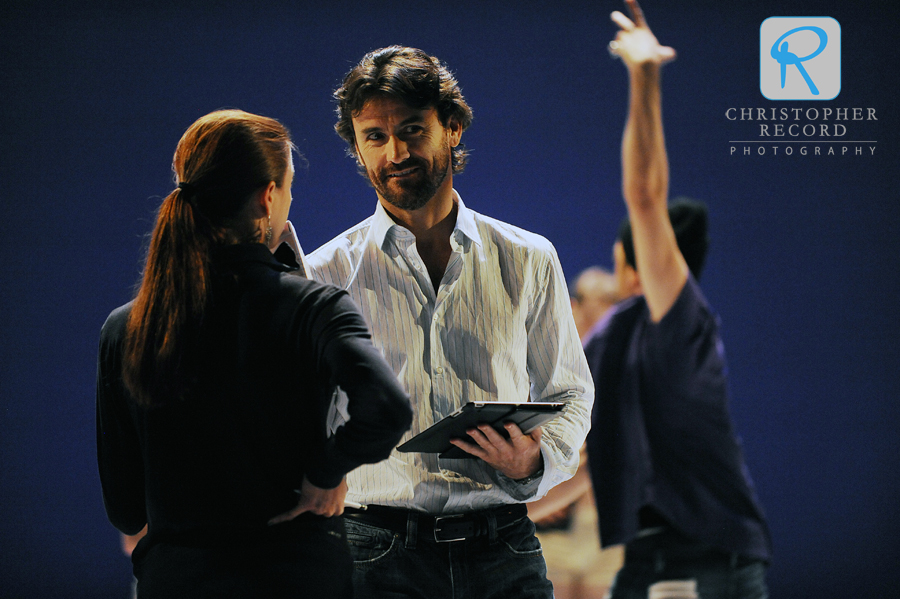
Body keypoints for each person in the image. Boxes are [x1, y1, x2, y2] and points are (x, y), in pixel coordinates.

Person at [297, 43, 594, 599]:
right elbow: (305, 419)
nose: (395, 152)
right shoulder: (324, 271)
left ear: (452, 128)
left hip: (503, 546)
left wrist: (535, 458)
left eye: (413, 129)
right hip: (374, 550)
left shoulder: (529, 257)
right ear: (358, 149)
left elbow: (571, 394)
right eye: (375, 137)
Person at [96, 109, 413, 598]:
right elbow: (387, 408)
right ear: (268, 197)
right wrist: (323, 474)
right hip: (293, 576)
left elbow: (126, 510)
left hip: (177, 581)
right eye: (288, 186)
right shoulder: (313, 306)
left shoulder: (126, 328)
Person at [583, 2, 772, 598]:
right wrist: (504, 512)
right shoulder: (609, 339)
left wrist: (644, 76)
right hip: (645, 555)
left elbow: (644, 195)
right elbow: (587, 463)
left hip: (712, 554)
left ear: (631, 261)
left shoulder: (678, 318)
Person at [531, 267, 625, 599]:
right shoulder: (545, 366)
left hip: (601, 520)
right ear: (573, 305)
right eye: (600, 299)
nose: (608, 308)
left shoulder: (622, 369)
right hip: (554, 515)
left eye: (614, 300)